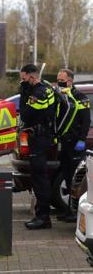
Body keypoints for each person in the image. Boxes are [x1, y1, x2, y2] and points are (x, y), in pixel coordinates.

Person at [19, 64, 56, 230]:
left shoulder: (38, 93)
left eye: (24, 78)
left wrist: (24, 93)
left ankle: (43, 217)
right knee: (41, 178)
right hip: (43, 137)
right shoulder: (46, 89)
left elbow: (26, 114)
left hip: (39, 139)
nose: (23, 81)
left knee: (39, 179)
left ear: (32, 77)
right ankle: (42, 215)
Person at [56, 69, 91, 222]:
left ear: (70, 80)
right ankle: (68, 210)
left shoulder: (80, 97)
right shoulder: (62, 97)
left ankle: (74, 212)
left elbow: (85, 121)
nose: (59, 81)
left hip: (75, 142)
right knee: (66, 175)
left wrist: (82, 139)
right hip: (63, 143)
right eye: (58, 78)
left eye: (62, 79)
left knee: (76, 179)